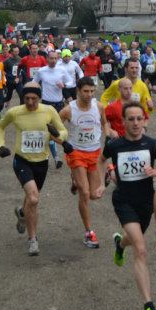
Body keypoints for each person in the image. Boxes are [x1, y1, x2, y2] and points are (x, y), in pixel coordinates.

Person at [98, 101, 156, 310]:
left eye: (139, 118)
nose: (135, 123)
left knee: (132, 239)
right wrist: (102, 182)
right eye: (130, 119)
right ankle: (149, 306)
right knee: (140, 249)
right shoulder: (115, 145)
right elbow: (101, 160)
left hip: (146, 203)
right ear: (123, 122)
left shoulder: (152, 145)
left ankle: (119, 245)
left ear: (145, 121)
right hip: (123, 201)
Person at [0, 82, 70, 256]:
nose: (30, 102)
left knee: (31, 198)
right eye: (27, 98)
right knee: (34, 198)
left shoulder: (49, 111)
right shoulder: (15, 112)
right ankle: (33, 240)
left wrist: (58, 135)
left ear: (40, 97)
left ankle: (22, 213)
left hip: (42, 162)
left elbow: (63, 131)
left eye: (34, 98)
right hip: (22, 160)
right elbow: (0, 126)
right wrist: (1, 146)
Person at [58, 77, 108, 248]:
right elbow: (52, 129)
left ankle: (76, 181)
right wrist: (64, 144)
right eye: (86, 91)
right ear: (78, 91)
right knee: (85, 194)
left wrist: (107, 136)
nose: (89, 94)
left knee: (95, 195)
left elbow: (104, 122)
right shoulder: (68, 110)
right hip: (76, 153)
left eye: (92, 91)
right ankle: (89, 233)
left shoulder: (99, 106)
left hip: (94, 153)